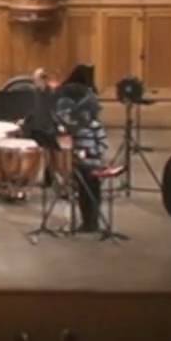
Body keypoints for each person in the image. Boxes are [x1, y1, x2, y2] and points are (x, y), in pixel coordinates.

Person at [58, 83, 108, 232]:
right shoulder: (75, 126)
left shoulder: (95, 126)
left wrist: (90, 152)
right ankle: (85, 222)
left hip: (93, 164)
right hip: (79, 164)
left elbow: (103, 145)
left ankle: (93, 222)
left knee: (92, 194)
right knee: (82, 195)